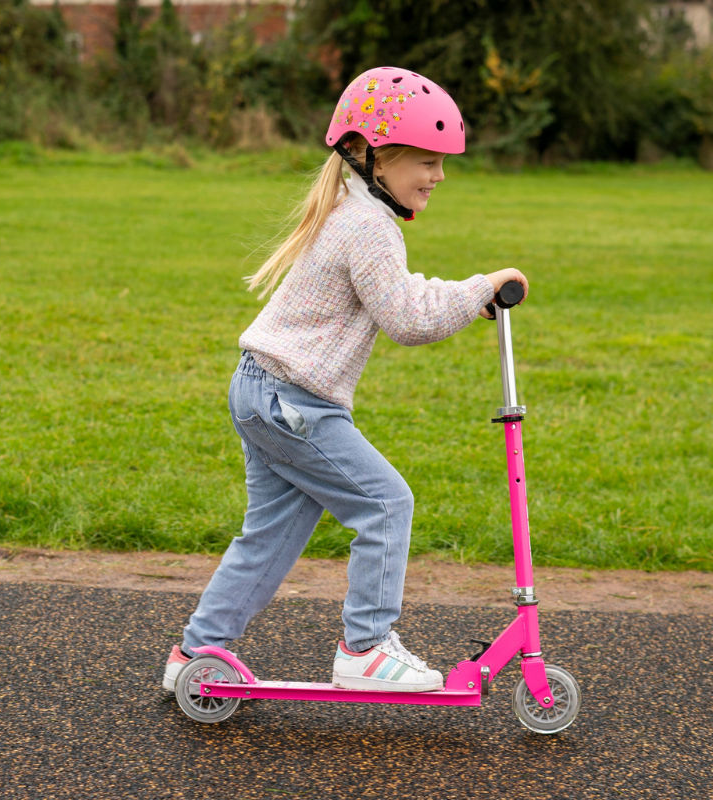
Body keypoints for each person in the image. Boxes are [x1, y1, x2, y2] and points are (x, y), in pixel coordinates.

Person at [163, 66, 528, 694]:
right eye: (428, 160)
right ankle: (365, 648)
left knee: (271, 533)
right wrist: (480, 290)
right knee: (386, 503)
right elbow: (407, 319)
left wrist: (473, 296)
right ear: (377, 157)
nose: (439, 176)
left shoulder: (355, 213)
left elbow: (402, 294)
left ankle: (196, 653)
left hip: (266, 390)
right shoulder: (368, 225)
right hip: (292, 400)